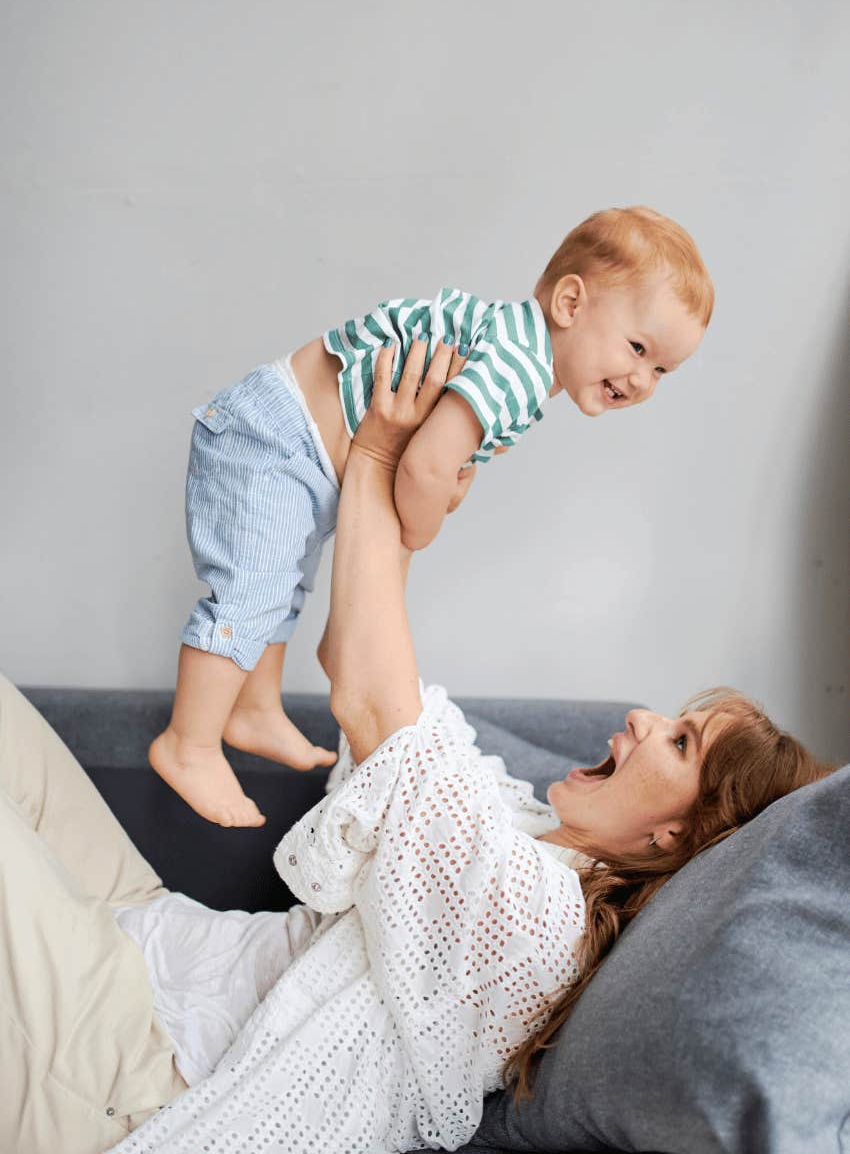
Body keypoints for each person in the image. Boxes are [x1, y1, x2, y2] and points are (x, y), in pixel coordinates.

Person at [2, 339, 823, 1154]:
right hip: (156, 936)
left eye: (678, 742)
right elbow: (362, 672)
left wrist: (374, 451)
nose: (644, 719)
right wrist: (402, 477)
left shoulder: (535, 924)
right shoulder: (515, 821)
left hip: (134, 1060)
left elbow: (369, 697)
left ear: (678, 835)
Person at [149, 205, 714, 827]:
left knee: (284, 580)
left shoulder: (515, 349)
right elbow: (421, 467)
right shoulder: (520, 370)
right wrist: (428, 519)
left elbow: (434, 453)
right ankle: (189, 743)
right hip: (273, 437)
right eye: (638, 349)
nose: (641, 380)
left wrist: (444, 477)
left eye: (662, 370)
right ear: (571, 304)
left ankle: (252, 707)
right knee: (251, 589)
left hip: (293, 441)